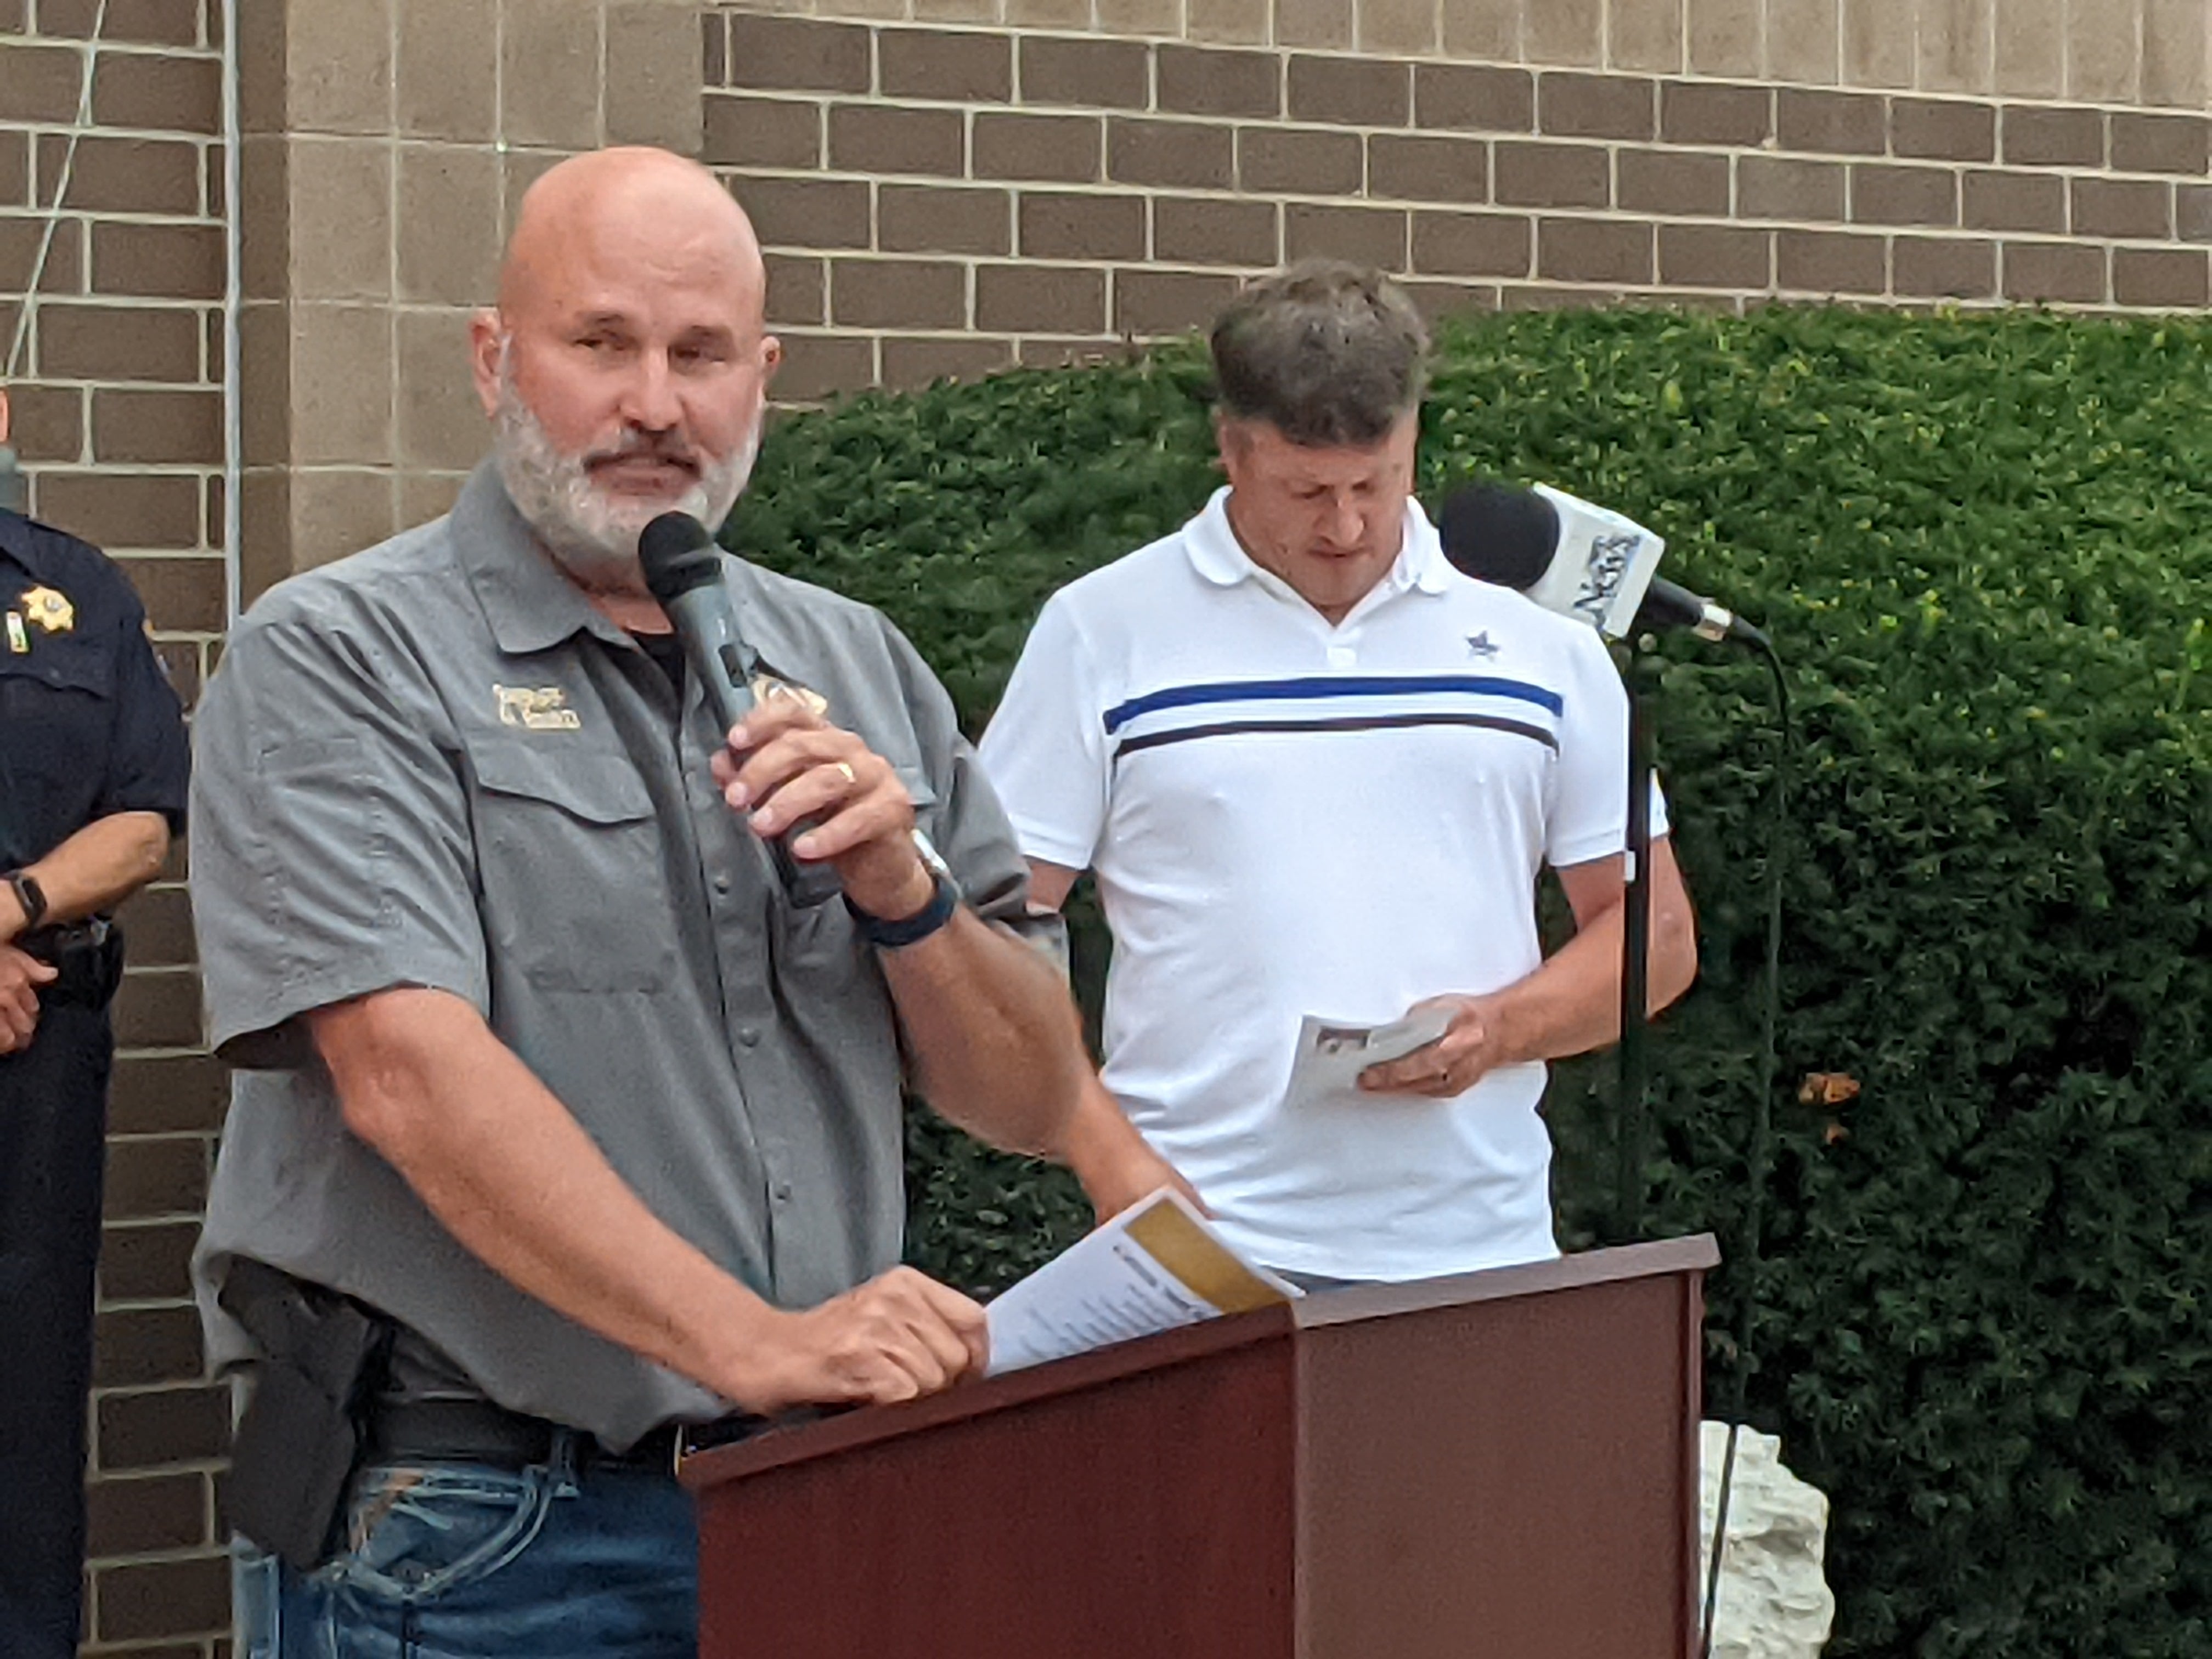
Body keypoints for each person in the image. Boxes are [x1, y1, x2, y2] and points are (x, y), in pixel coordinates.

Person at [188, 148, 1092, 1658]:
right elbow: (407, 1074)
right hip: (478, 1532)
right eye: (601, 344)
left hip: (812, 1498)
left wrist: (901, 890)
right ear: (497, 360)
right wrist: (760, 1344)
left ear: (764, 377)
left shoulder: (858, 663)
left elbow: (1029, 1093)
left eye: (702, 354)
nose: (656, 405)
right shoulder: (341, 655)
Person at [979, 261, 1700, 1288]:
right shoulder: (1102, 631)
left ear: (1416, 437)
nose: (1348, 528)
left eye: (1377, 483)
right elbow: (1002, 927)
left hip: (1478, 1250)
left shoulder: (1542, 641)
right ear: (1231, 449)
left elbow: (1656, 939)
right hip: (1196, 1255)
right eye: (1307, 491)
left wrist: (1499, 1031)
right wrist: (1108, 1154)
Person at [0, 387, 191, 1659]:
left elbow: (145, 814)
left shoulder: (77, 590)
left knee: (26, 1421)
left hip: (37, 1062)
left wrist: (8, 908)